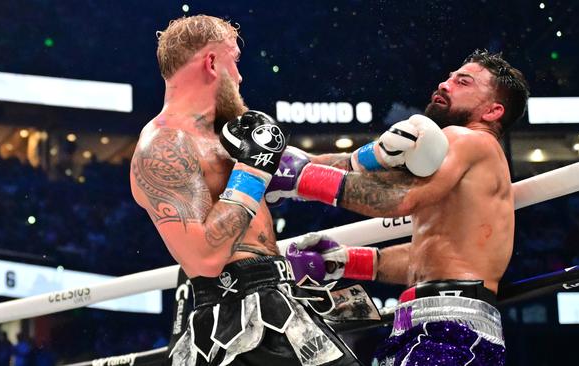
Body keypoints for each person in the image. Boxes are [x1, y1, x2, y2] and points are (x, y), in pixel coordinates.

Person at [266, 50, 529, 366]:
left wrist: (303, 178)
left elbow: (400, 199)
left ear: (492, 111)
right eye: (448, 76)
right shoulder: (460, 157)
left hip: (452, 327)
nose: (445, 84)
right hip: (427, 319)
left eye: (463, 82)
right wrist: (345, 261)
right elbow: (436, 254)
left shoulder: (468, 139)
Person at [130, 15, 362, 366]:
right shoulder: (164, 146)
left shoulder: (225, 136)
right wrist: (253, 169)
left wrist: (376, 156)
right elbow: (203, 258)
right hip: (236, 321)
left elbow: (306, 167)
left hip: (283, 301)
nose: (239, 77)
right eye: (234, 62)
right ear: (211, 63)